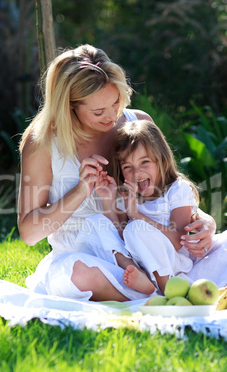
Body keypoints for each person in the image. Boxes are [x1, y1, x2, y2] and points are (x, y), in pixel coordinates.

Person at [18, 43, 222, 303]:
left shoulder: (137, 124)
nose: (112, 117)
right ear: (69, 106)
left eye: (116, 102)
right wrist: (80, 191)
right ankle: (156, 295)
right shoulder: (43, 143)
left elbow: (170, 186)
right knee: (76, 276)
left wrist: (205, 221)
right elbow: (29, 233)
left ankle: (150, 293)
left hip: (150, 248)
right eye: (98, 111)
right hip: (91, 259)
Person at [76, 119, 200, 294]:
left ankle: (166, 289)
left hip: (173, 264)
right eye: (128, 166)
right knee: (97, 222)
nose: (137, 172)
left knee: (136, 228)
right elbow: (121, 237)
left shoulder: (177, 190)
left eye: (144, 162)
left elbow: (179, 240)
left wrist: (136, 215)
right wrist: (108, 199)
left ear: (161, 160)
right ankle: (140, 275)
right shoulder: (129, 194)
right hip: (140, 263)